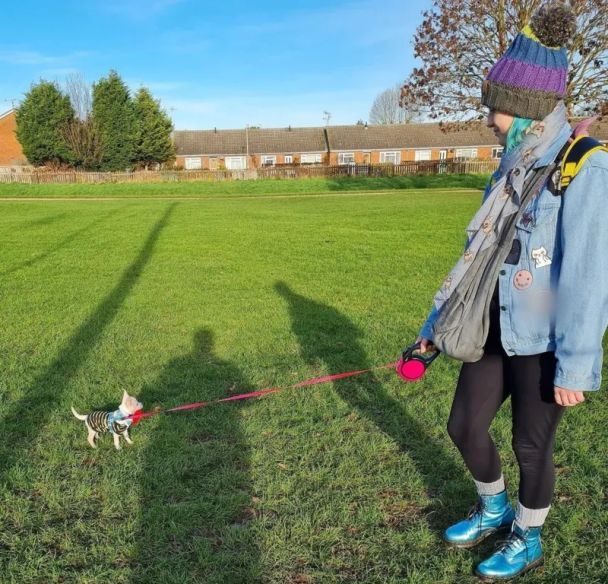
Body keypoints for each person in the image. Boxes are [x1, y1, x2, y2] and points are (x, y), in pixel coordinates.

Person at [416, 3, 608, 581]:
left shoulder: (584, 165)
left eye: (495, 106)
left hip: (546, 334)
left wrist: (575, 366)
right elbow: (474, 258)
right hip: (493, 324)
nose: (490, 118)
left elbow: (589, 274)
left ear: (521, 105)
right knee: (464, 426)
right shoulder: (507, 167)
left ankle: (527, 535)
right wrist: (434, 327)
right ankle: (494, 506)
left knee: (531, 445)